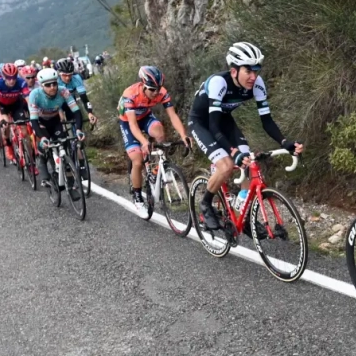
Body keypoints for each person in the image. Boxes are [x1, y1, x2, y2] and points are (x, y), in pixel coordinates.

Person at [189, 42, 303, 232]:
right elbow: (213, 125)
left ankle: (242, 213)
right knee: (225, 166)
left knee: (249, 162)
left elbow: (266, 120)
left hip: (224, 120)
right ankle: (206, 204)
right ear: (234, 71)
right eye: (248, 71)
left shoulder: (257, 84)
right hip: (203, 123)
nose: (253, 76)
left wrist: (285, 142)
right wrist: (233, 152)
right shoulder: (219, 82)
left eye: (256, 71)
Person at [118, 65, 192, 217]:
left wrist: (183, 135)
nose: (156, 93)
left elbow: (172, 116)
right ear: (143, 85)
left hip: (145, 117)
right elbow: (132, 124)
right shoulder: (130, 95)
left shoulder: (161, 92)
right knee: (137, 160)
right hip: (127, 121)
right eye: (152, 89)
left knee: (159, 132)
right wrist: (143, 141)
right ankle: (138, 198)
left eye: (158, 88)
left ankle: (155, 168)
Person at [28, 68, 84, 200]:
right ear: (41, 85)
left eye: (54, 83)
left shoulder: (63, 91)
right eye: (48, 85)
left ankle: (70, 186)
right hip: (40, 122)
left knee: (64, 149)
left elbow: (76, 111)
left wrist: (79, 129)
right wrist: (42, 137)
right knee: (45, 144)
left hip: (55, 120)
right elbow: (34, 121)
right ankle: (43, 164)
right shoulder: (35, 95)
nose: (52, 87)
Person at [0, 63, 30, 163]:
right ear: (3, 77)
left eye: (14, 77)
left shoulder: (21, 82)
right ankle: (8, 145)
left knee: (24, 131)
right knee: (6, 125)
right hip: (2, 105)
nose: (12, 80)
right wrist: (0, 118)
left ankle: (31, 160)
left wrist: (34, 112)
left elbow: (29, 100)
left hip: (16, 105)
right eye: (9, 78)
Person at [56, 58, 96, 126]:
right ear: (59, 74)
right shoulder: (55, 81)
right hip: (57, 103)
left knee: (76, 116)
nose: (67, 78)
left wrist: (90, 113)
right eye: (64, 75)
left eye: (70, 75)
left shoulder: (76, 78)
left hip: (71, 102)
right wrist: (59, 111)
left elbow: (85, 99)